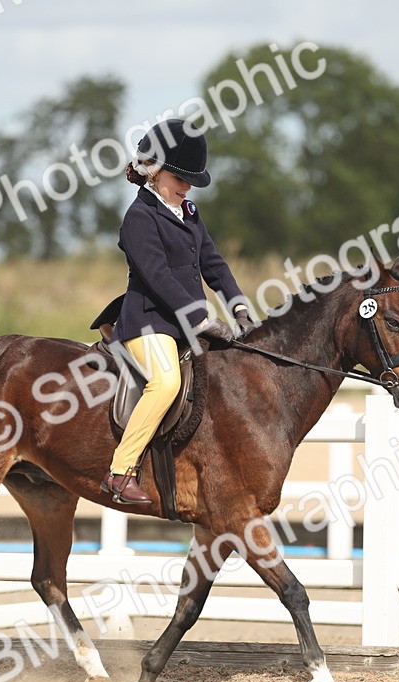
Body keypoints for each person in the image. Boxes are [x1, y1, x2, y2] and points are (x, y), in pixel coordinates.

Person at [94, 118, 256, 505]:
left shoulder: (188, 211)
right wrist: (200, 318)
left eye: (189, 181)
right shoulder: (138, 218)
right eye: (179, 178)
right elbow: (158, 276)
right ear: (154, 171)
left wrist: (238, 305)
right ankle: (120, 471)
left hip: (185, 322)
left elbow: (213, 262)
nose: (186, 186)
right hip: (149, 321)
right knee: (165, 383)